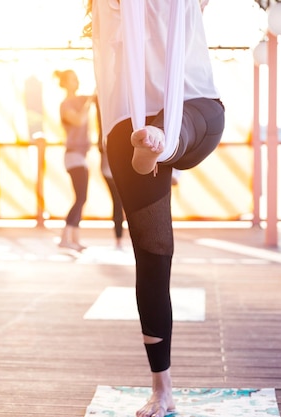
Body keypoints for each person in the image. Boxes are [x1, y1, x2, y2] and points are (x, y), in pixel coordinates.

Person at [86, 1, 225, 416]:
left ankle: (162, 145)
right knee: (153, 257)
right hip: (130, 126)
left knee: (170, 130)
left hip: (193, 109)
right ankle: (162, 390)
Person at [54, 69, 94, 252]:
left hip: (82, 156)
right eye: (73, 79)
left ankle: (75, 240)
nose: (76, 81)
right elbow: (78, 121)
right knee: (80, 197)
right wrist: (88, 104)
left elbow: (97, 94)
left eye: (77, 78)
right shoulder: (65, 105)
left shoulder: (81, 99)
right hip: (73, 155)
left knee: (82, 198)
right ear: (65, 83)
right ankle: (64, 238)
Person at [97, 102, 125, 249]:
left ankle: (119, 238)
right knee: (119, 202)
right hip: (110, 168)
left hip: (114, 166)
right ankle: (119, 238)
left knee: (120, 202)